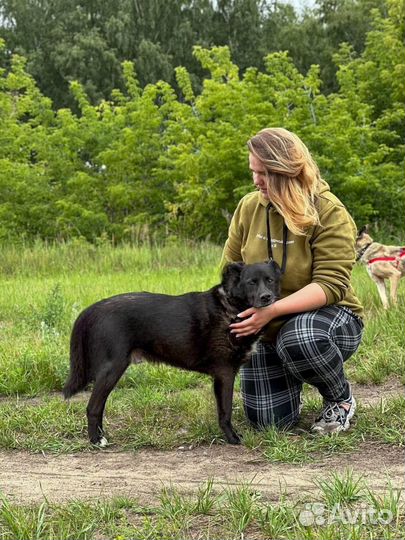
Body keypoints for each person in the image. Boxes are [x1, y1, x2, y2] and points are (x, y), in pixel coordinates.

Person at [221, 127, 364, 434]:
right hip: (266, 326)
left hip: (329, 317)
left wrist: (272, 311)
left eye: (264, 173)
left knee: (299, 338)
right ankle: (290, 380)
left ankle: (340, 400)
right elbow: (230, 273)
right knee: (268, 423)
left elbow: (331, 285)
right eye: (253, 171)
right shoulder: (249, 206)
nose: (255, 180)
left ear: (286, 172)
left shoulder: (328, 211)